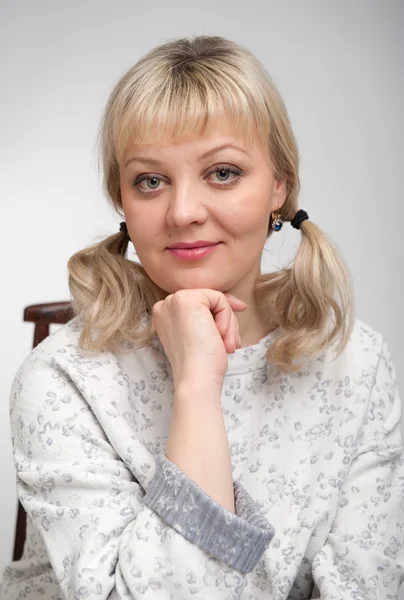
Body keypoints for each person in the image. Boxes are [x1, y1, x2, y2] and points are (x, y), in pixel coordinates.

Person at [1, 35, 403, 600]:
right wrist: (196, 387)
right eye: (150, 181)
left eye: (222, 173)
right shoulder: (63, 379)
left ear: (279, 188)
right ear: (123, 199)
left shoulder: (356, 364)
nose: (184, 212)